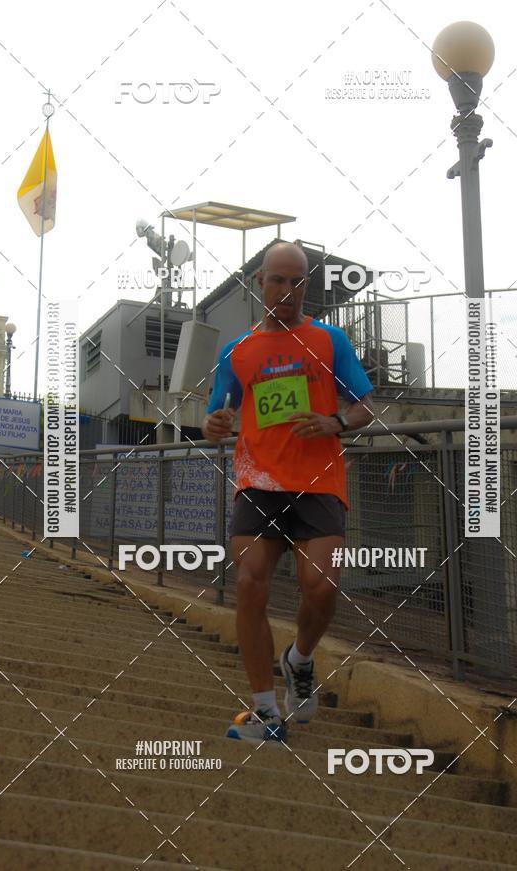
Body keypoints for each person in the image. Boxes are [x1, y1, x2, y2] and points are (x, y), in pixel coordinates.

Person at [202, 242, 374, 743]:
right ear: (260, 283)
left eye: (297, 282)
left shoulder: (328, 340)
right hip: (259, 481)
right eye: (278, 280)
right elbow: (218, 415)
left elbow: (366, 404)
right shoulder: (237, 350)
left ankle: (299, 658)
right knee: (251, 583)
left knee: (320, 587)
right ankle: (263, 710)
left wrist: (335, 421)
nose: (287, 291)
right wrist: (215, 423)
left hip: (319, 481)